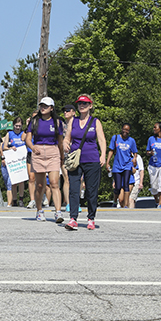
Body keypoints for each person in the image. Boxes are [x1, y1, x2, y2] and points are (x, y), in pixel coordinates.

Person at [63, 94, 106, 230]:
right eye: (80, 104)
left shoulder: (95, 122)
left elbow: (101, 140)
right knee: (74, 189)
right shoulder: (73, 121)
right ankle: (73, 218)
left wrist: (103, 155)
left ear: (90, 106)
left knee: (91, 190)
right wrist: (65, 144)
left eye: (85, 104)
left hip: (92, 159)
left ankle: (91, 218)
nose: (82, 106)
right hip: (76, 160)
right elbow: (67, 138)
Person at [25, 97, 65, 222]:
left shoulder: (57, 122)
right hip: (38, 151)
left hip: (53, 151)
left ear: (51, 108)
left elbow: (60, 141)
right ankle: (39, 210)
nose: (43, 108)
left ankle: (58, 212)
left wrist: (62, 156)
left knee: (54, 183)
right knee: (40, 185)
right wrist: (32, 147)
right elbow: (27, 138)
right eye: (41, 105)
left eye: (46, 106)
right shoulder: (34, 121)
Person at [106, 122, 138, 209]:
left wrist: (134, 158)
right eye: (124, 129)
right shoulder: (115, 138)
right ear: (121, 129)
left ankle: (126, 204)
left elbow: (135, 152)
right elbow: (111, 150)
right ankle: (115, 200)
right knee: (118, 186)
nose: (125, 131)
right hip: (117, 165)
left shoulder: (131, 141)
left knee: (126, 184)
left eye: (127, 130)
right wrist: (107, 162)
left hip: (127, 164)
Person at [0, 117, 26, 207]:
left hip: (22, 160)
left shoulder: (23, 134)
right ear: (13, 125)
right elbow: (4, 147)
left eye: (19, 126)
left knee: (21, 180)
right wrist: (11, 148)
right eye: (16, 126)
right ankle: (14, 199)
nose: (18, 127)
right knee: (14, 181)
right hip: (13, 160)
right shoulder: (9, 134)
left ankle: (21, 199)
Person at [60, 104, 76, 211]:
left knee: (77, 179)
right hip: (64, 155)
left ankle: (76, 202)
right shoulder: (61, 125)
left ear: (74, 112)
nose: (66, 112)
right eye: (64, 111)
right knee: (66, 178)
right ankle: (68, 203)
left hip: (77, 154)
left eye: (68, 110)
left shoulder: (79, 123)